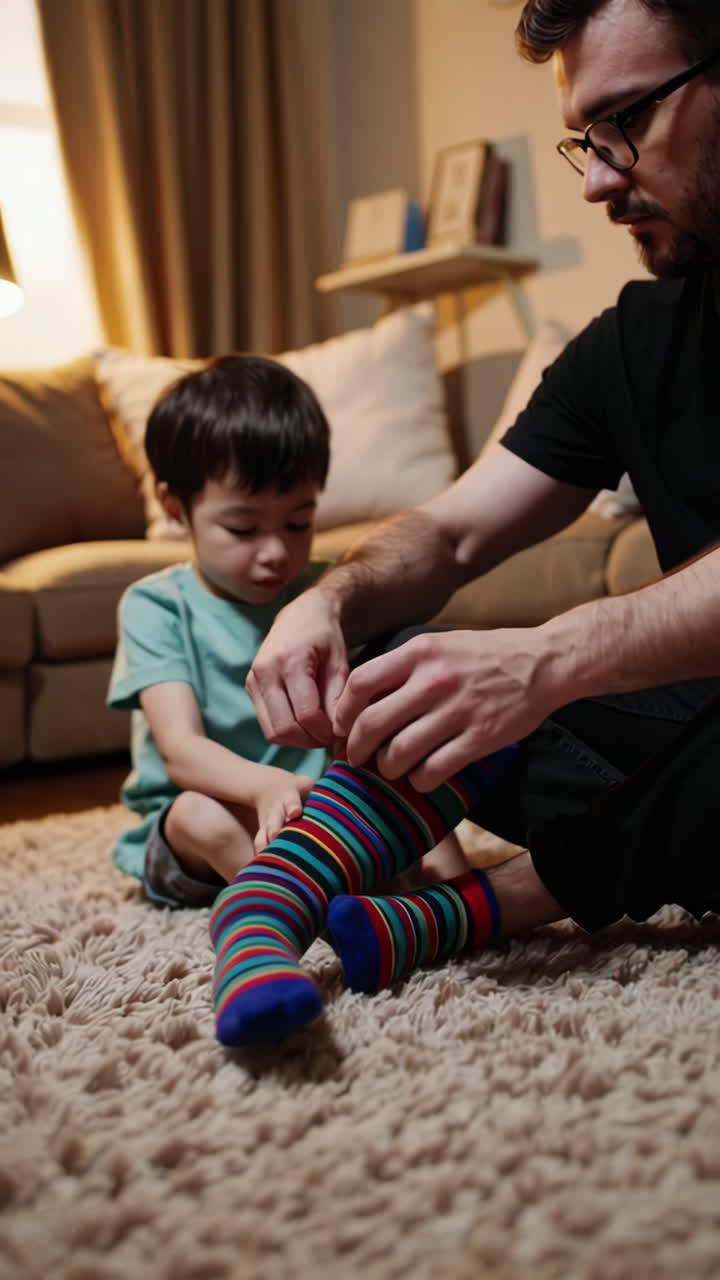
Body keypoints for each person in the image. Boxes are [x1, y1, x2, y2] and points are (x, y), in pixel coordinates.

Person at [206, 0, 720, 1045]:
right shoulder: (626, 346)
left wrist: (549, 657)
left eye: (627, 120)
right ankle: (266, 903)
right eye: (588, 134)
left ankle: (499, 902)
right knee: (420, 665)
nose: (597, 179)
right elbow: (449, 535)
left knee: (530, 673)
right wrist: (330, 597)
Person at [107, 354, 336, 908]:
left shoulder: (321, 593)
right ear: (175, 509)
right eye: (242, 528)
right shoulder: (156, 607)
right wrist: (266, 788)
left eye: (298, 522)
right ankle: (307, 910)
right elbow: (181, 751)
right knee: (197, 815)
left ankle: (446, 899)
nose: (277, 551)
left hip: (314, 817)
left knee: (406, 774)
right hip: (197, 834)